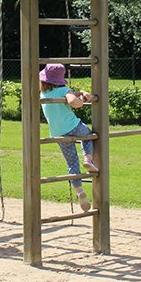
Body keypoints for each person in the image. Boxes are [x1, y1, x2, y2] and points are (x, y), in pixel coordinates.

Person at [38, 63, 97, 212]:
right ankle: (88, 159)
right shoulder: (64, 90)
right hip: (73, 126)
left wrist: (79, 92)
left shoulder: (43, 94)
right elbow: (73, 102)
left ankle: (79, 191)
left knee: (71, 162)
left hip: (58, 133)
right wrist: (82, 101)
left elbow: (68, 94)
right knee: (88, 135)